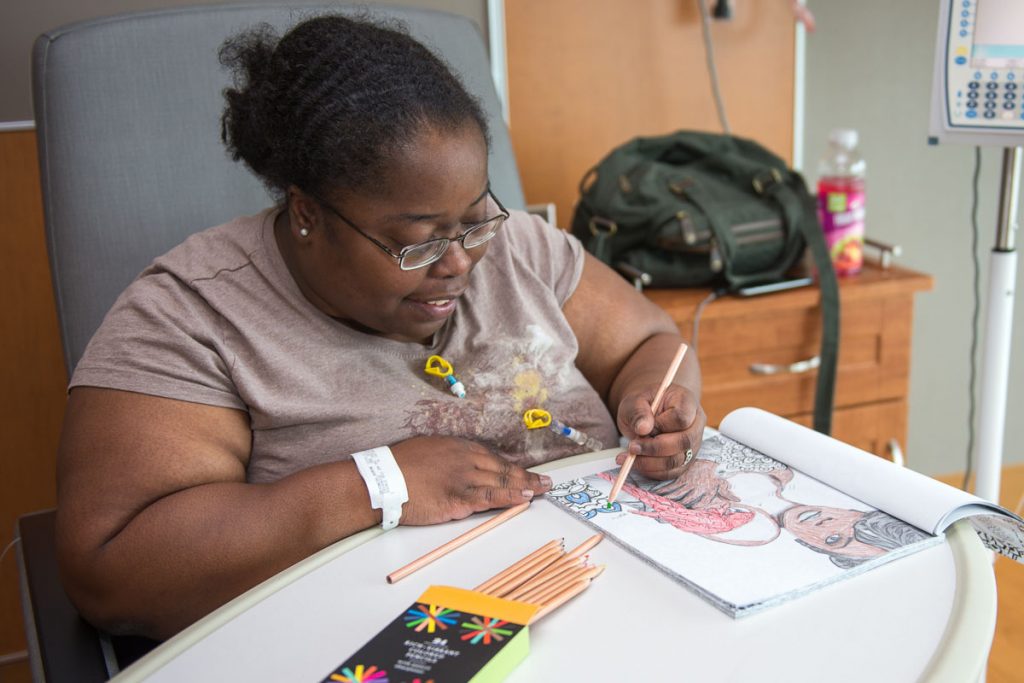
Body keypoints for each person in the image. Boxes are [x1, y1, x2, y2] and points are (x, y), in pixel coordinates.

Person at [55, 13, 705, 640]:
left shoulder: (515, 250)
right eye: (416, 244)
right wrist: (376, 485)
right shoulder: (193, 315)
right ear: (307, 214)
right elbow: (110, 570)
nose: (459, 263)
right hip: (401, 634)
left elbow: (652, 344)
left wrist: (659, 402)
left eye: (475, 219)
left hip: (613, 592)